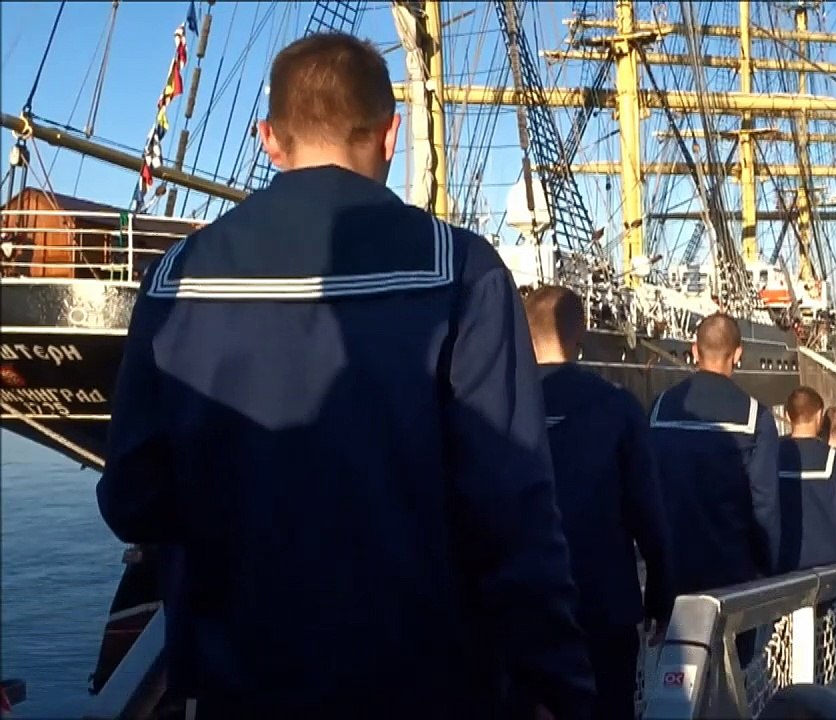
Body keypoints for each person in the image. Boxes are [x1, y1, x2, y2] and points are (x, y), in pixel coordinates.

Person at [95, 33, 592, 719]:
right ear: (391, 134)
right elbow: (517, 518)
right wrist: (563, 692)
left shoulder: (174, 279)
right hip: (427, 689)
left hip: (243, 686)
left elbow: (133, 501)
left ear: (269, 139)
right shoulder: (461, 270)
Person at [526, 286, 673, 720]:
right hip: (603, 604)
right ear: (581, 335)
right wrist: (660, 594)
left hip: (519, 604)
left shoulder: (495, 402)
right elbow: (647, 509)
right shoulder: (617, 406)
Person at [649, 313, 780, 664]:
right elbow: (765, 507)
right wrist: (766, 574)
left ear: (694, 350)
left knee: (671, 677)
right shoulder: (755, 418)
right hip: (732, 581)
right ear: (738, 354)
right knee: (729, 676)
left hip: (670, 580)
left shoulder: (659, 409)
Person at [777, 387, 836, 571]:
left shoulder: (771, 457)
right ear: (819, 415)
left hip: (782, 566)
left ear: (787, 416)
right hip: (828, 568)